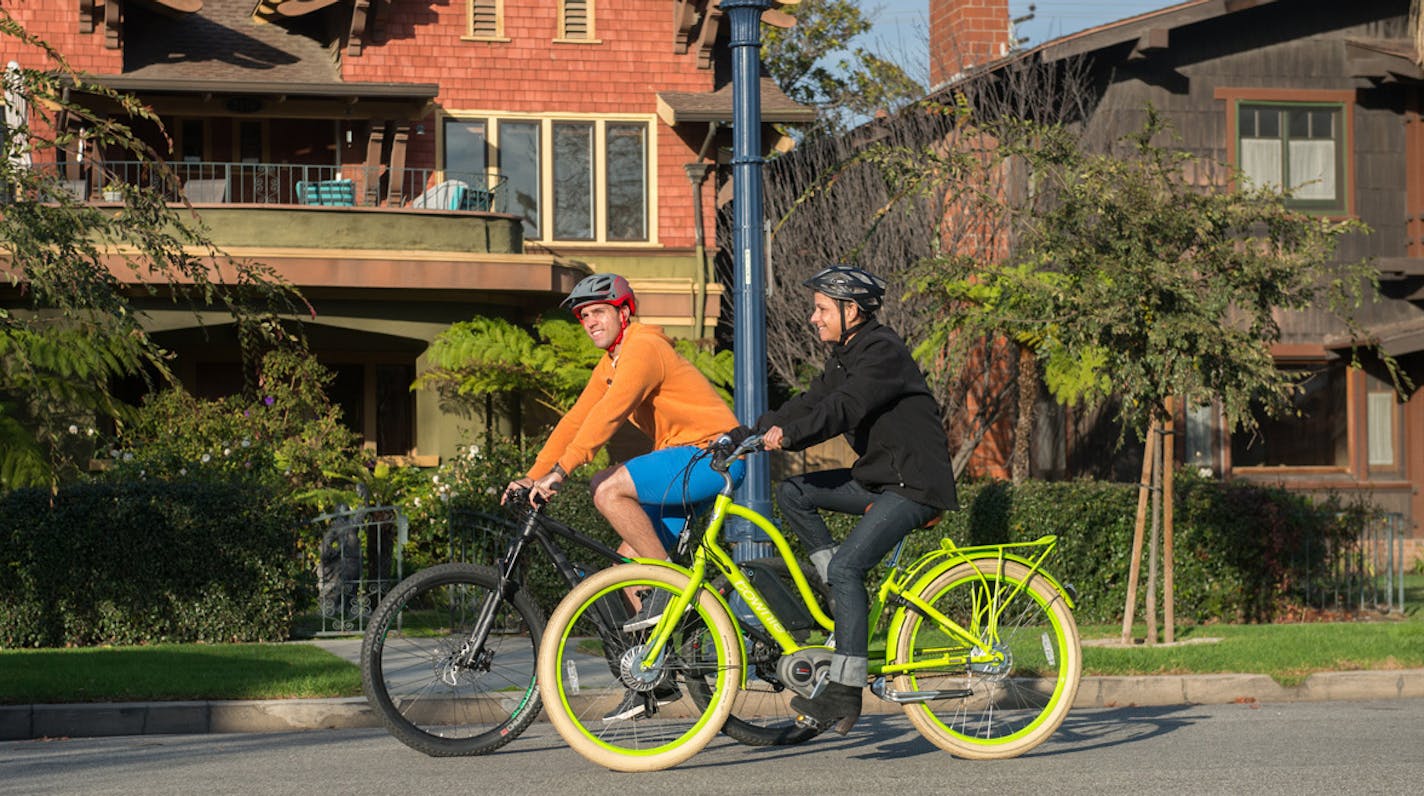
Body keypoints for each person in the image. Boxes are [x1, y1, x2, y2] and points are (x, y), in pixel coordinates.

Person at [502, 272, 744, 721]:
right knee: (627, 566)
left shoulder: (643, 348)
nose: (589, 322)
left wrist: (562, 471)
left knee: (607, 487)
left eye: (597, 312)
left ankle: (669, 583)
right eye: (583, 317)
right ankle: (655, 677)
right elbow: (577, 420)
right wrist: (532, 475)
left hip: (711, 455)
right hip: (682, 465)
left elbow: (609, 416)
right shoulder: (610, 364)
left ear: (623, 312)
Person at [751, 264, 958, 735]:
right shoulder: (845, 356)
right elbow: (809, 402)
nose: (812, 318)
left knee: (849, 567)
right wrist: (747, 433)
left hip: (914, 485)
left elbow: (844, 408)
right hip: (880, 479)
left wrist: (791, 436)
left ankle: (845, 693)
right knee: (794, 491)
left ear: (851, 310)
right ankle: (834, 591)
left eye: (822, 308)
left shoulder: (882, 352)